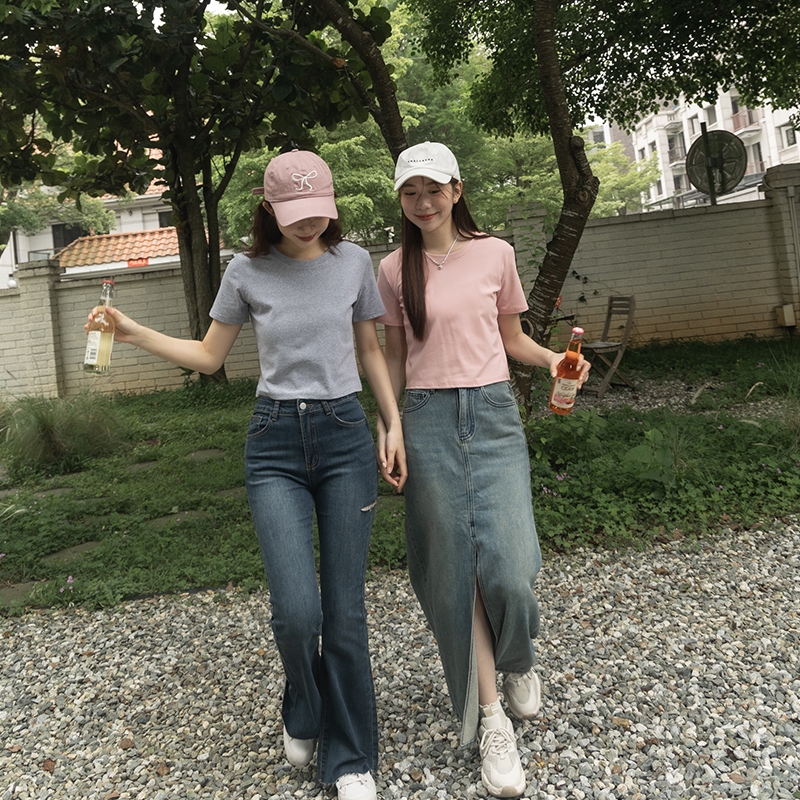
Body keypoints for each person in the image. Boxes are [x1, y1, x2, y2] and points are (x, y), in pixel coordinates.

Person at [86, 150, 406, 800]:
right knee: (296, 613)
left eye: (319, 211)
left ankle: (351, 759)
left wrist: (390, 421)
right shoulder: (246, 270)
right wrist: (133, 332)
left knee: (344, 613)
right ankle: (306, 706)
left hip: (345, 435)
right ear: (269, 209)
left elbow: (370, 347)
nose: (310, 223)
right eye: (296, 213)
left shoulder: (353, 262)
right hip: (274, 444)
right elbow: (209, 357)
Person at [376, 142, 589, 798]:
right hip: (427, 419)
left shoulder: (494, 253)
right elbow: (392, 356)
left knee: (511, 567)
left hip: (493, 417)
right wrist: (390, 424)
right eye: (410, 191)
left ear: (457, 189)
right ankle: (490, 715)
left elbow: (512, 337)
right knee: (456, 572)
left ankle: (518, 657)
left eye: (433, 189)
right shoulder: (392, 269)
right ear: (401, 197)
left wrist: (553, 362)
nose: (423, 202)